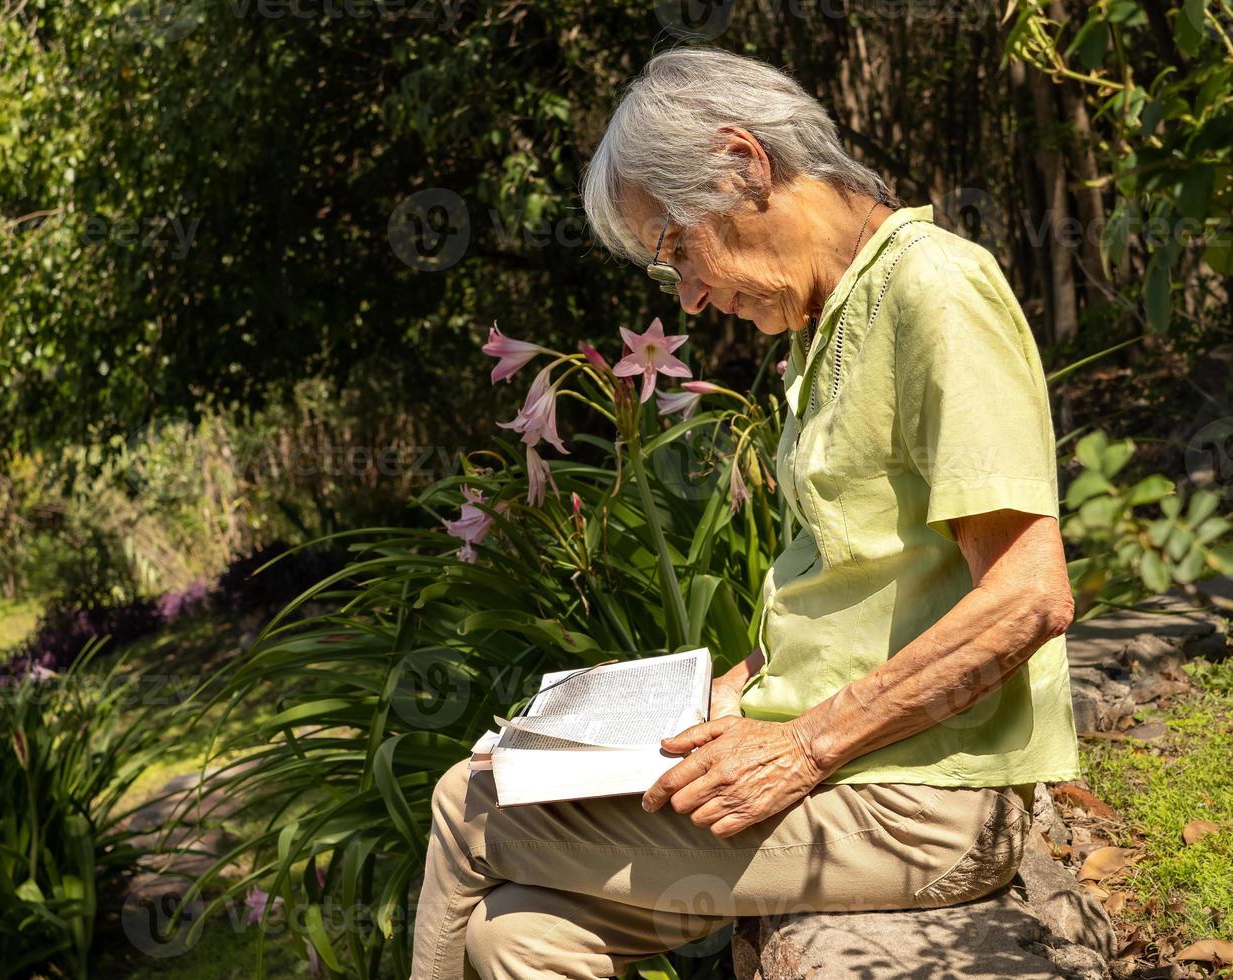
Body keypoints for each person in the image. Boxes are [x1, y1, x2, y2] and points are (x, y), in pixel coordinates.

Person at [410, 46, 1079, 980]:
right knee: (516, 933)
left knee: (467, 806)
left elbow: (1028, 598)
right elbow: (854, 593)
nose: (685, 293)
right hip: (862, 777)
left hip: (927, 799)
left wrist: (806, 744)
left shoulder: (935, 289)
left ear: (744, 163)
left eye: (677, 246)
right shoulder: (832, 322)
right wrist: (711, 696)